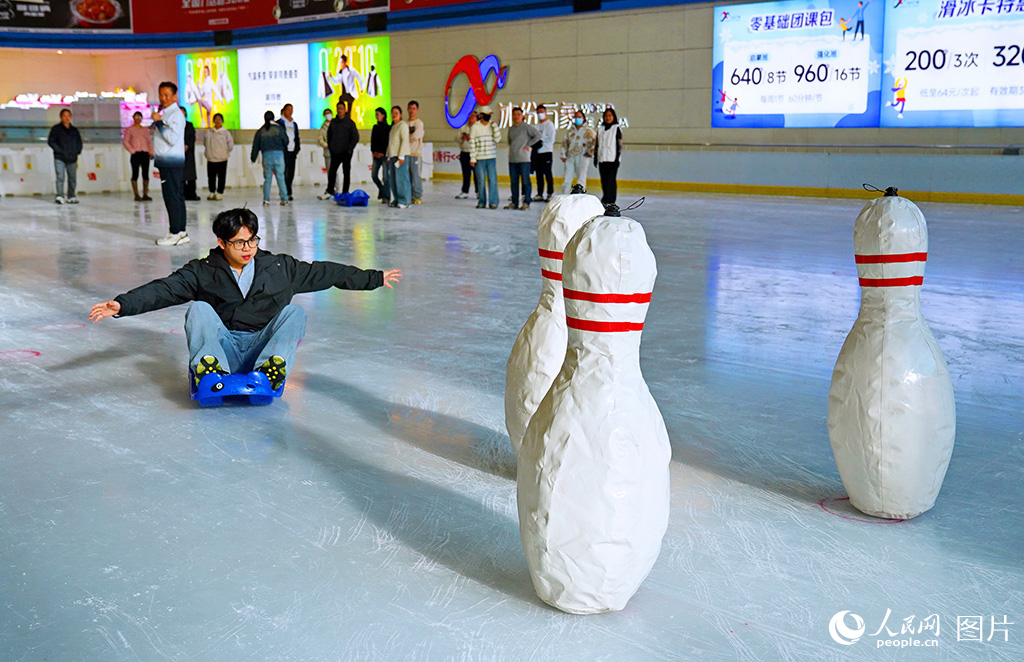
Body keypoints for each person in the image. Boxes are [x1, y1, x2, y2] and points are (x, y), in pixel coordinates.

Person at [88, 207, 402, 394]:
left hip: (261, 350)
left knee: (295, 314)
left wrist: (373, 278)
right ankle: (209, 372)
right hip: (222, 349)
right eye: (239, 242)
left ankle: (270, 371)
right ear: (221, 242)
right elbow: (165, 289)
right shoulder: (202, 270)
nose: (248, 248)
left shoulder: (279, 267)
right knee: (198, 309)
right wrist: (123, 304)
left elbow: (326, 273)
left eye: (252, 240)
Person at [152, 82, 189, 245]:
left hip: (171, 162)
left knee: (172, 197)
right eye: (161, 95)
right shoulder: (167, 113)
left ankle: (175, 232)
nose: (163, 98)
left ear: (175, 96)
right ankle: (180, 231)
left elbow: (172, 138)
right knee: (175, 196)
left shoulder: (175, 114)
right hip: (167, 161)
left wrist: (159, 123)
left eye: (167, 95)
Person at [320, 102, 359, 200]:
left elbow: (355, 137)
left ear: (345, 110)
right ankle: (330, 191)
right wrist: (331, 147)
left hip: (346, 152)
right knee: (332, 171)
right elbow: (329, 135)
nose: (339, 110)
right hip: (335, 152)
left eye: (341, 108)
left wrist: (349, 149)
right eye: (338, 108)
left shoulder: (350, 123)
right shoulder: (333, 122)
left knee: (346, 172)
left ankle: (345, 192)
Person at [506, 107, 542, 210]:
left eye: (518, 114)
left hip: (524, 159)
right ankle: (514, 202)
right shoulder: (511, 129)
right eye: (514, 115)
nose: (516, 117)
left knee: (525, 181)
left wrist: (529, 145)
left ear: (522, 116)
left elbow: (538, 135)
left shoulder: (526, 127)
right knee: (514, 182)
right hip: (512, 159)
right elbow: (510, 142)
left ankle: (526, 202)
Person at [251, 110, 289, 206]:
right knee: (281, 178)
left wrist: (253, 158)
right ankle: (284, 199)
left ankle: (266, 199)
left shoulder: (261, 130)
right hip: (279, 155)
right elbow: (286, 141)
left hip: (266, 156)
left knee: (267, 179)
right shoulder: (279, 128)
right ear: (273, 118)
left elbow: (256, 145)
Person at [469, 104, 501, 210]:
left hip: (491, 157)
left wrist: (495, 127)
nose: (488, 116)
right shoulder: (475, 127)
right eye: (486, 114)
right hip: (479, 158)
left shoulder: (492, 126)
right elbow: (472, 143)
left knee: (492, 180)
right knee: (481, 180)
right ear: (481, 115)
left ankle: (493, 202)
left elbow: (498, 139)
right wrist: (473, 158)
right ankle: (482, 201)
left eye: (489, 114)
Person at [48, 108, 83, 205]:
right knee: (60, 177)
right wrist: (59, 151)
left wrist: (77, 151)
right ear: (61, 117)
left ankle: (71, 196)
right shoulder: (56, 129)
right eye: (64, 116)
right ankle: (59, 195)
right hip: (60, 158)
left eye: (68, 116)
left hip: (72, 158)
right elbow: (51, 141)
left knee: (72, 178)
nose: (67, 118)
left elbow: (79, 142)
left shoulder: (74, 131)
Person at [560, 109, 595, 194]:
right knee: (567, 178)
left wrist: (590, 152)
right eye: (576, 117)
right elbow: (565, 143)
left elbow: (595, 142)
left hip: (583, 157)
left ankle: (580, 197)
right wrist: (563, 154)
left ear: (583, 118)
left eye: (579, 117)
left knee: (581, 179)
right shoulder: (570, 131)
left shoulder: (589, 131)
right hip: (570, 157)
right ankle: (565, 196)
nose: (577, 119)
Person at [122, 110, 153, 202]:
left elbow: (149, 141)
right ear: (133, 118)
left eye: (139, 117)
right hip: (136, 153)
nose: (138, 119)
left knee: (145, 173)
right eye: (136, 117)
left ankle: (145, 193)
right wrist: (132, 150)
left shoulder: (144, 130)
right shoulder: (130, 129)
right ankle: (136, 194)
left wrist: (150, 151)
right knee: (135, 173)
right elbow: (125, 141)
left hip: (145, 152)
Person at [595, 107, 623, 206]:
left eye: (610, 116)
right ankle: (605, 197)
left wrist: (617, 158)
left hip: (612, 159)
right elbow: (597, 144)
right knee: (604, 180)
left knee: (611, 180)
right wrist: (595, 157)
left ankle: (611, 200)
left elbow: (619, 145)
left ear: (613, 117)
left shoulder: (616, 128)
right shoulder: (600, 129)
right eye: (606, 116)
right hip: (602, 159)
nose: (608, 118)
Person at [203, 112, 233, 200]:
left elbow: (230, 145)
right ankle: (212, 192)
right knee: (211, 177)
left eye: (219, 119)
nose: (217, 121)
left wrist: (225, 151)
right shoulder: (209, 132)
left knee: (221, 177)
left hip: (222, 158)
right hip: (211, 158)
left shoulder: (226, 133)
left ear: (222, 121)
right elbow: (205, 143)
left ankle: (220, 192)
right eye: (216, 119)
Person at [386, 105, 411, 209]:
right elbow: (391, 142)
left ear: (400, 115)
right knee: (393, 180)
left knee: (402, 179)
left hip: (400, 156)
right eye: (392, 113)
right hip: (393, 156)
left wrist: (401, 156)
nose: (394, 115)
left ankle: (405, 201)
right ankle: (396, 199)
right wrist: (388, 156)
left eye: (396, 113)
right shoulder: (393, 127)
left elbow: (404, 141)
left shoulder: (403, 125)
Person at [532, 104, 556, 202]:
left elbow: (551, 139)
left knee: (547, 173)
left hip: (546, 152)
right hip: (538, 153)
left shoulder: (549, 125)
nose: (540, 114)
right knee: (539, 174)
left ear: (545, 113)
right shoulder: (536, 126)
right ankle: (540, 193)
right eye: (538, 113)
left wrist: (541, 141)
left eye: (542, 112)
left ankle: (550, 193)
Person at [277, 103, 300, 201]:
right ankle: (284, 192)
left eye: (291, 110)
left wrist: (297, 148)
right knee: (284, 173)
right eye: (288, 110)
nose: (290, 112)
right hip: (283, 152)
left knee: (291, 173)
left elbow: (296, 137)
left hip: (292, 151)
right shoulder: (280, 123)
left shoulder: (294, 124)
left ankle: (289, 192)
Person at [455, 111, 478, 200]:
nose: (470, 118)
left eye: (473, 116)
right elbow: (457, 139)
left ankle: (478, 192)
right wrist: (462, 137)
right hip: (464, 152)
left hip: (475, 153)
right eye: (470, 116)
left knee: (477, 174)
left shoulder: (478, 128)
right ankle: (465, 191)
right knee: (466, 174)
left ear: (477, 118)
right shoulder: (463, 127)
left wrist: (470, 137)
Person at [370, 107, 391, 204]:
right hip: (376, 155)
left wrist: (383, 153)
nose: (377, 116)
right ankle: (382, 190)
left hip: (384, 155)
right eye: (376, 114)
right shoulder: (375, 127)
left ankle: (386, 197)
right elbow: (373, 141)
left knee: (386, 177)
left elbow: (387, 142)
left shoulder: (388, 128)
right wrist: (374, 152)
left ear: (383, 115)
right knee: (374, 175)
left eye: (378, 114)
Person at [406, 100, 424, 204]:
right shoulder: (405, 123)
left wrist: (408, 137)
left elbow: (416, 136)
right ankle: (409, 195)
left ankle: (417, 195)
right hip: (406, 153)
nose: (411, 111)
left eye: (414, 109)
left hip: (415, 153)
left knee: (416, 175)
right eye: (410, 108)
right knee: (407, 176)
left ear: (417, 110)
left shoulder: (419, 123)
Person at [183, 120, 201, 201]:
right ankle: (182, 193)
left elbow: (192, 138)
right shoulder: (175, 124)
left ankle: (192, 194)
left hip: (189, 152)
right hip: (178, 153)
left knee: (190, 174)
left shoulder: (189, 125)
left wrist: (187, 146)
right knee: (181, 175)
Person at [316, 108, 332, 194]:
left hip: (337, 151)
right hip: (328, 151)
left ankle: (337, 188)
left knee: (335, 171)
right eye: (326, 113)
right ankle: (331, 188)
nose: (328, 115)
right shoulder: (323, 128)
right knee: (330, 171)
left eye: (329, 113)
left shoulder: (336, 124)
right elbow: (320, 139)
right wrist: (326, 145)